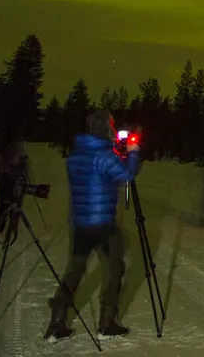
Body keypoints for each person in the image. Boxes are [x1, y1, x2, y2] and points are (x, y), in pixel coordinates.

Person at [44, 110, 140, 341]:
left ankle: (57, 322)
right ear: (104, 127)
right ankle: (107, 323)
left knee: (75, 270)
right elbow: (126, 176)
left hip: (81, 224)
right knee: (115, 269)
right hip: (103, 225)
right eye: (112, 125)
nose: (114, 129)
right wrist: (133, 153)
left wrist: (117, 154)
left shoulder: (77, 154)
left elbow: (104, 177)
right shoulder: (104, 154)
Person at [0, 139, 29, 234]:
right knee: (4, 205)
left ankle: (13, 226)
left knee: (16, 206)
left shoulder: (21, 159)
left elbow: (24, 174)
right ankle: (1, 225)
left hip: (17, 184)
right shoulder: (4, 156)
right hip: (5, 184)